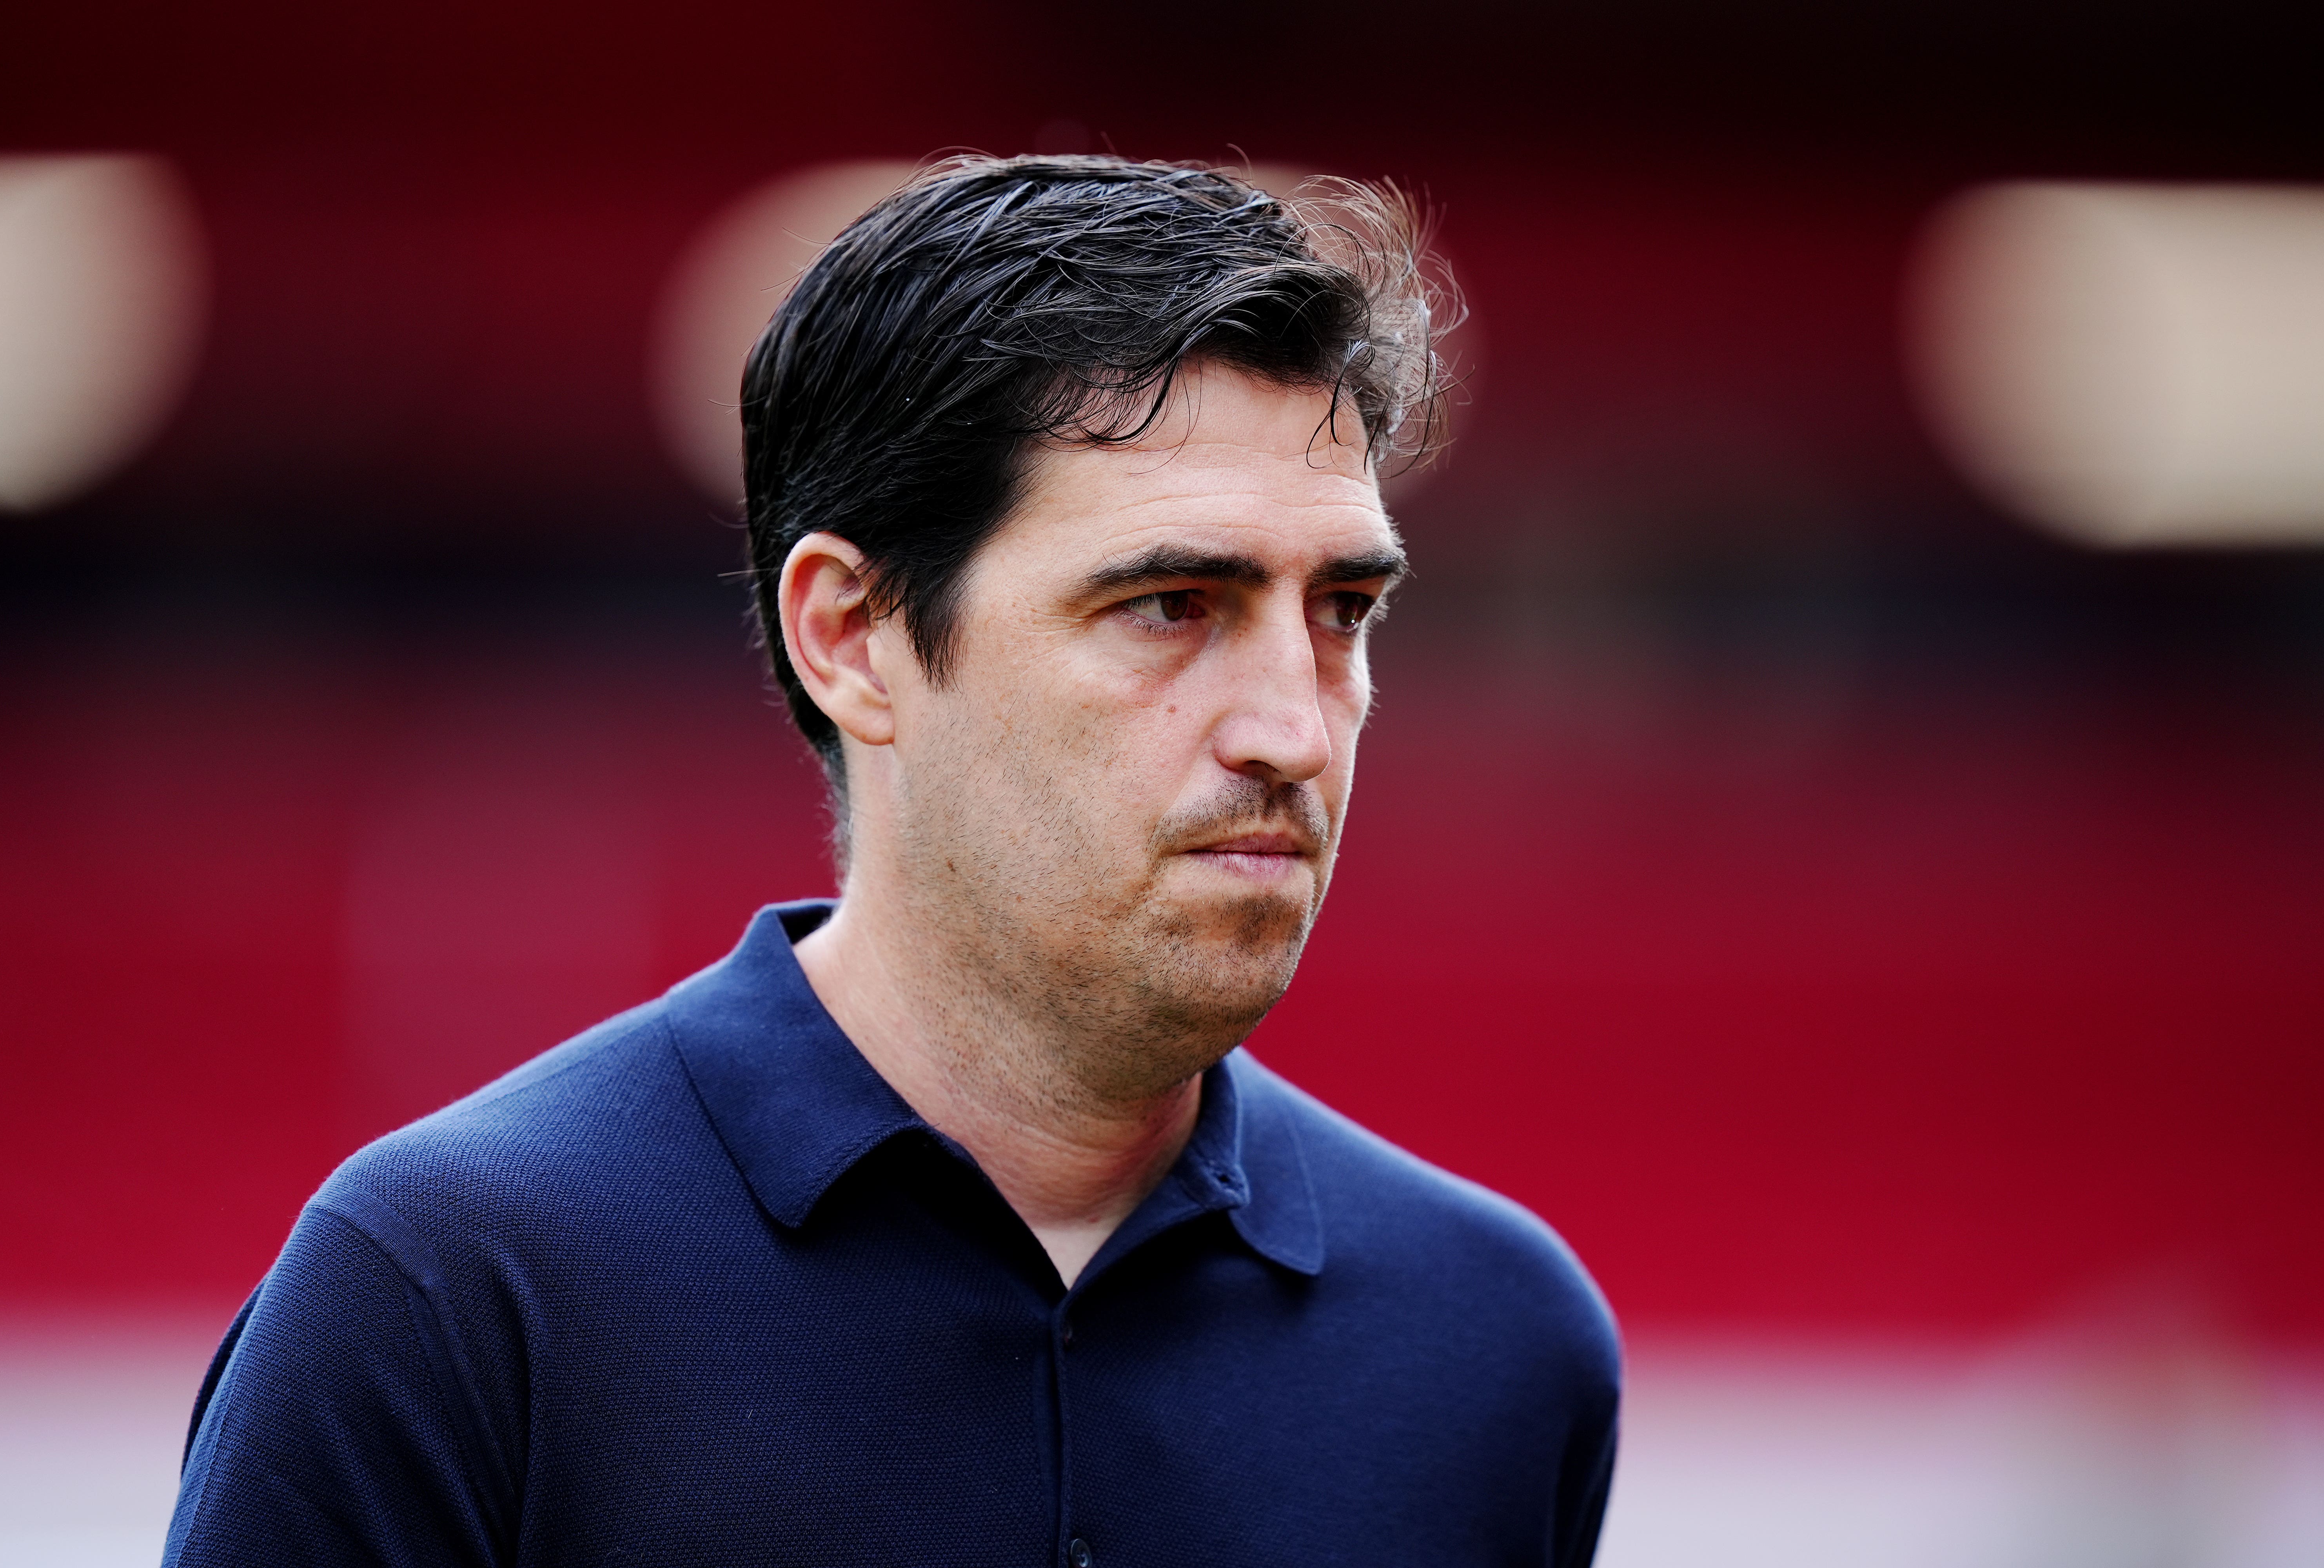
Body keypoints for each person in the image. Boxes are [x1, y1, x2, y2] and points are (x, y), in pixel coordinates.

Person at [163, 154, 1620, 1568]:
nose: (1296, 728)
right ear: (851, 636)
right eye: (1172, 604)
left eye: (1344, 610)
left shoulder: (1496, 1348)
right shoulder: (452, 1301)